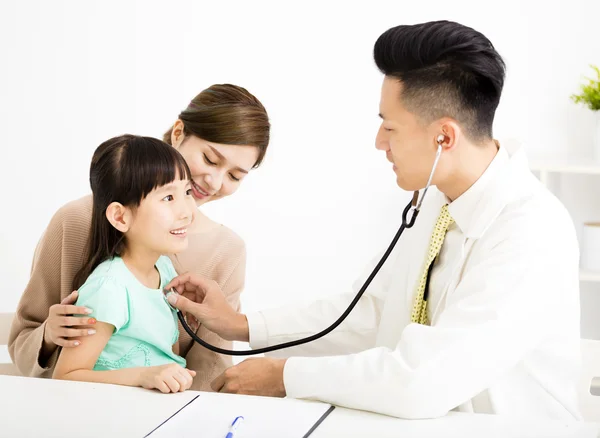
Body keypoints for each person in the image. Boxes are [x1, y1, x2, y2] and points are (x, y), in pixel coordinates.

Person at [164, 21, 582, 419]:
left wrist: (284, 376)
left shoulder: (530, 232)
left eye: (390, 127)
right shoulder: (438, 203)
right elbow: (374, 313)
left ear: (445, 137)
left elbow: (424, 381)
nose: (379, 142)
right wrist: (242, 325)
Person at [8, 84, 270, 391]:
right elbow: (24, 340)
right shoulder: (76, 221)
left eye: (235, 176)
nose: (214, 182)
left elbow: (209, 374)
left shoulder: (226, 251)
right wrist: (50, 336)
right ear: (178, 133)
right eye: (211, 160)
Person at [53, 135, 198, 393]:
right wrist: (145, 376)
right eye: (168, 198)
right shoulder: (109, 287)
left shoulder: (164, 270)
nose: (187, 211)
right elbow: (66, 377)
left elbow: (168, 357)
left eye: (187, 192)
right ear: (120, 217)